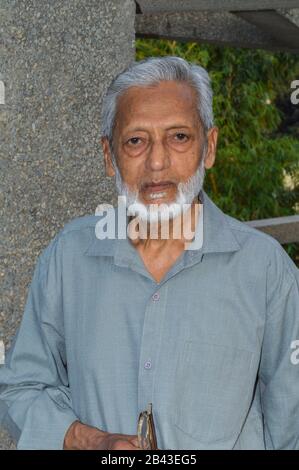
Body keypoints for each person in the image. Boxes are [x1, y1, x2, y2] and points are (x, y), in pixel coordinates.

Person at [0, 56, 298, 450]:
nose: (157, 163)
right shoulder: (67, 259)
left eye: (179, 137)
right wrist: (87, 440)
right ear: (110, 156)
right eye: (136, 141)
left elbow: (290, 418)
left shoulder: (264, 268)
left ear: (208, 147)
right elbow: (20, 386)